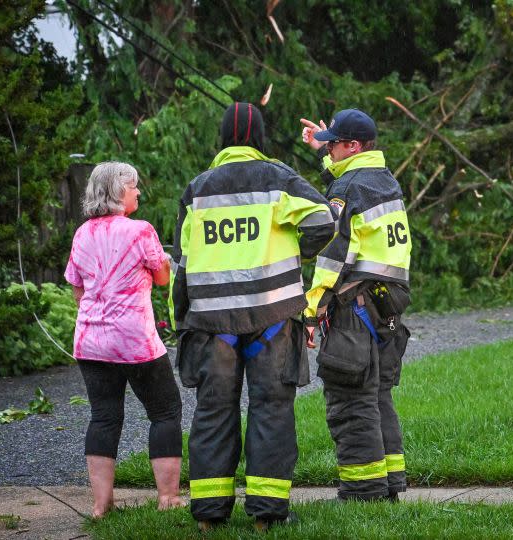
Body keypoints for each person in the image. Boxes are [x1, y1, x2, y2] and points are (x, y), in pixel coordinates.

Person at [171, 102, 336, 530]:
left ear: (223, 137)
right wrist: (292, 255)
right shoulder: (279, 178)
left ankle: (209, 516)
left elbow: (183, 264)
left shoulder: (197, 189)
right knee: (271, 408)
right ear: (259, 138)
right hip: (273, 317)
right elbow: (325, 220)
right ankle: (266, 516)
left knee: (213, 413)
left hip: (210, 325)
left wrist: (179, 319)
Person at [299, 109, 413, 502]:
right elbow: (347, 184)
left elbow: (332, 259)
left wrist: (311, 310)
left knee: (350, 399)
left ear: (354, 146)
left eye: (334, 143)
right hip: (388, 306)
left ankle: (363, 492)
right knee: (378, 395)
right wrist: (323, 153)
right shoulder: (384, 180)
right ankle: (390, 486)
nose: (328, 148)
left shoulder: (349, 191)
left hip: (354, 306)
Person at [64, 161, 184, 518]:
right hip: (135, 341)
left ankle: (102, 504)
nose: (138, 192)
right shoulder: (140, 230)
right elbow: (162, 277)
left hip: (90, 342)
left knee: (103, 417)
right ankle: (168, 497)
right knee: (165, 411)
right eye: (133, 187)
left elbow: (77, 287)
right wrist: (163, 260)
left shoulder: (82, 233)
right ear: (118, 192)